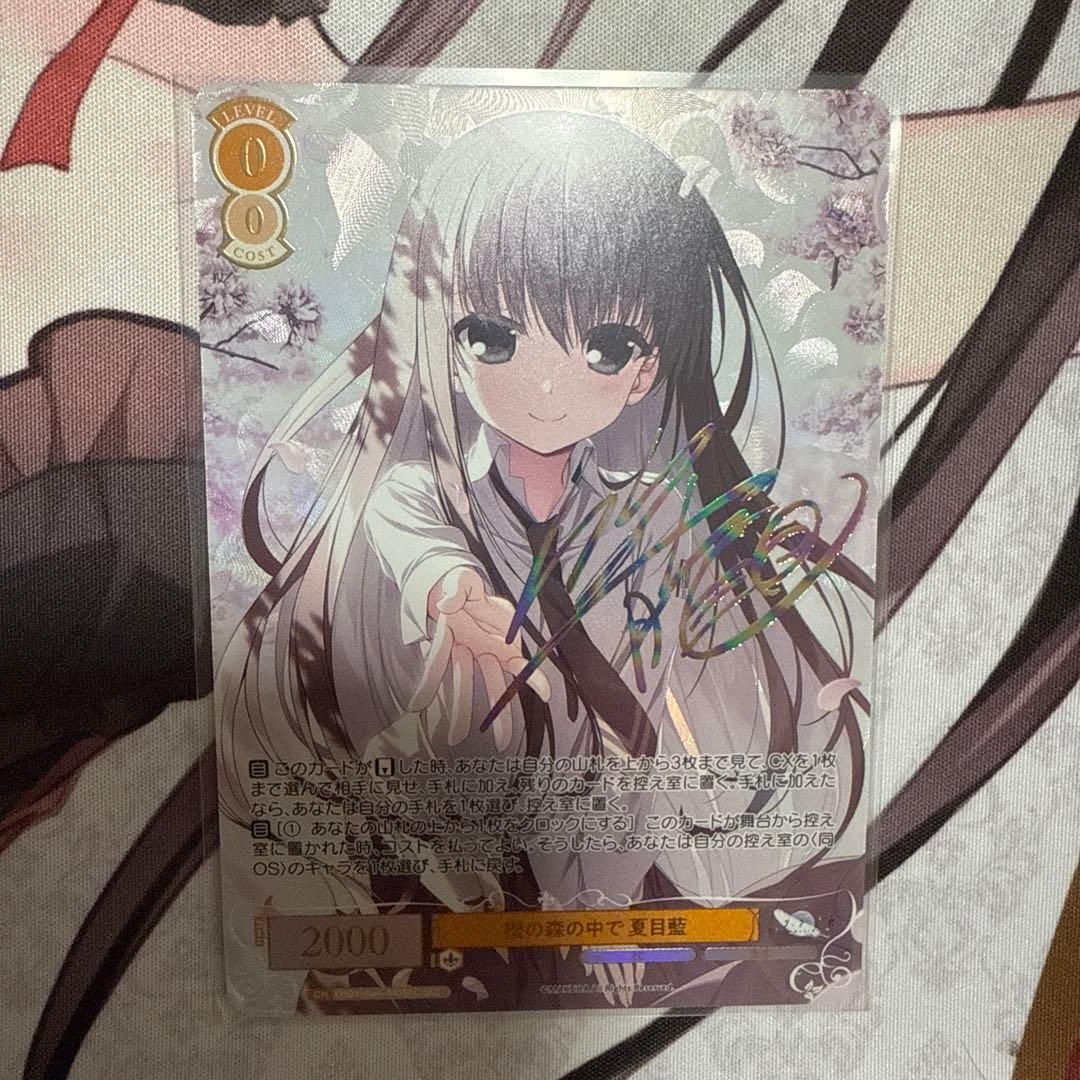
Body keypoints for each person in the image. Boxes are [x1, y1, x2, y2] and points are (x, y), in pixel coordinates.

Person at [217, 108, 871, 1009]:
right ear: (443, 336)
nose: (548, 384)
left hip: (613, 851)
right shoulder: (427, 493)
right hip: (450, 819)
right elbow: (405, 515)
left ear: (644, 370)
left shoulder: (649, 516)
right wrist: (450, 589)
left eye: (606, 346)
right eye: (492, 335)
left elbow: (642, 729)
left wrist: (787, 697)